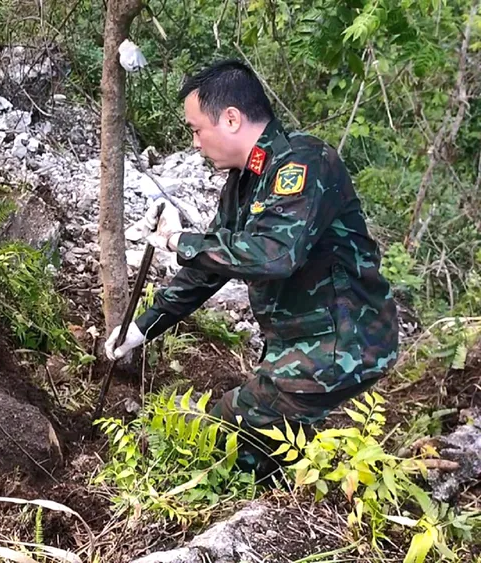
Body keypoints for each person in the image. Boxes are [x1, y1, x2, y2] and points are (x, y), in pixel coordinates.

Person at [104, 60, 399, 478]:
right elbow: (210, 267)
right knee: (270, 450)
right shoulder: (244, 182)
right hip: (299, 345)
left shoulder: (305, 163)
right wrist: (141, 328)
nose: (194, 144)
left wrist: (178, 240)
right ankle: (291, 487)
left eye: (195, 129)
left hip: (341, 345)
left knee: (218, 436)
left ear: (230, 118)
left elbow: (274, 256)